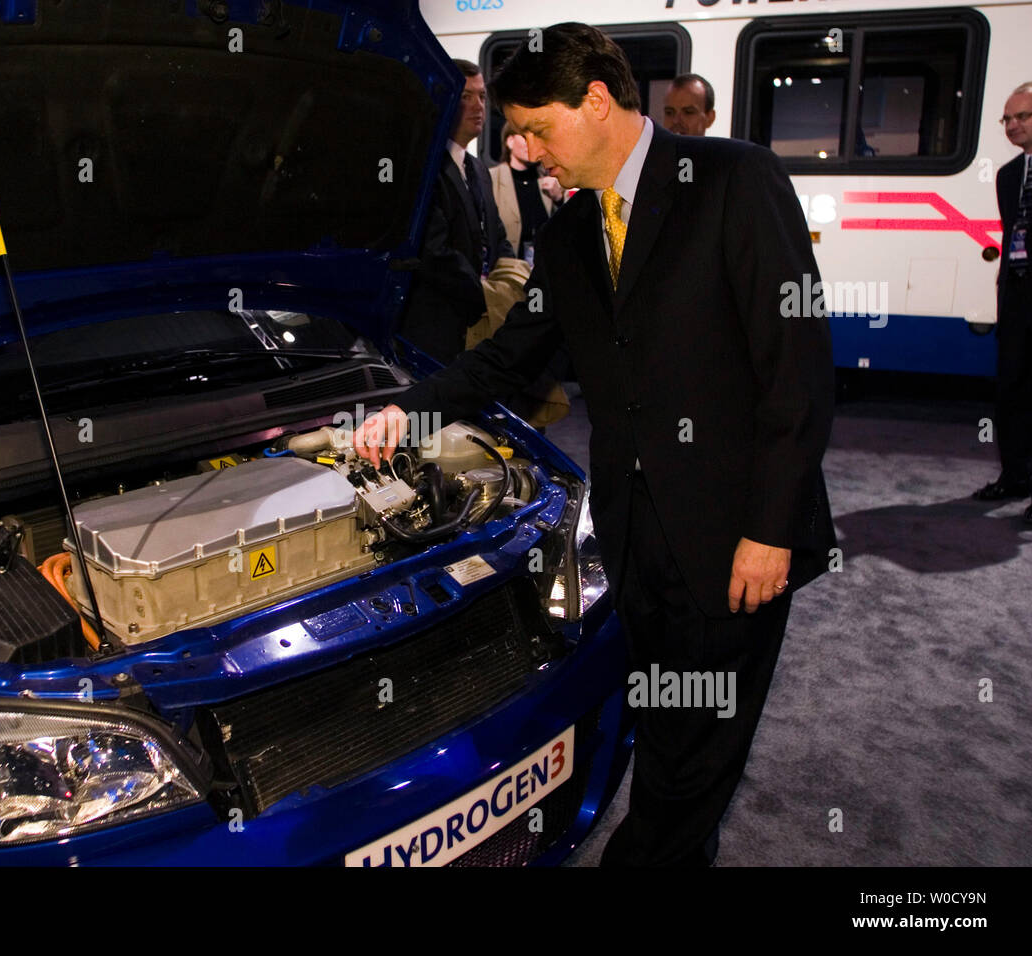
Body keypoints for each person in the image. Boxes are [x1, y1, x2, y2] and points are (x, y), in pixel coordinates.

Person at [353, 23, 835, 866]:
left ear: (599, 101)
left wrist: (772, 529)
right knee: (660, 718)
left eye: (538, 127)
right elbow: (513, 357)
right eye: (516, 131)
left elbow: (795, 372)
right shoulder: (575, 231)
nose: (524, 149)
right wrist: (409, 413)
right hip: (627, 530)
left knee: (697, 755)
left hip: (736, 537)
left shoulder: (733, 179)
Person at [397, 59, 515, 364]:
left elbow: (497, 236)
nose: (478, 106)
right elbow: (433, 251)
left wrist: (509, 281)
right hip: (436, 329)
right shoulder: (423, 167)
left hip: (478, 326)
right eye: (466, 97)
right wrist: (487, 296)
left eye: (482, 96)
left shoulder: (478, 168)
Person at [974, 81, 1032, 526]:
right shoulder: (1009, 174)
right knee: (1011, 390)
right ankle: (1015, 475)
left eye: (1022, 117)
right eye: (1007, 119)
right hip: (1017, 295)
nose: (1012, 126)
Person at [491, 121, 564, 262]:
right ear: (510, 141)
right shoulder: (492, 179)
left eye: (536, 137)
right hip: (508, 270)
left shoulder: (550, 178)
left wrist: (559, 199)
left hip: (543, 270)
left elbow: (567, 227)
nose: (532, 143)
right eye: (525, 137)